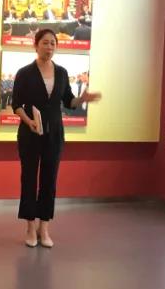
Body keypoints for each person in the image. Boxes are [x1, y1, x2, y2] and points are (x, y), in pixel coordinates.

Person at [10, 29, 101, 248]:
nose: (49, 47)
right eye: (45, 43)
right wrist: (28, 121)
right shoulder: (25, 73)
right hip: (30, 133)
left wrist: (82, 99)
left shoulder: (61, 72)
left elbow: (69, 101)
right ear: (36, 45)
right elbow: (16, 104)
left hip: (55, 134)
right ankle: (30, 226)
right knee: (29, 179)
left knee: (49, 180)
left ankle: (44, 227)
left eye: (53, 43)